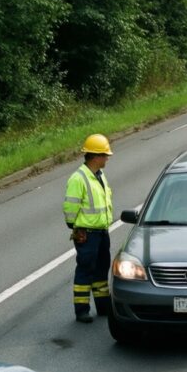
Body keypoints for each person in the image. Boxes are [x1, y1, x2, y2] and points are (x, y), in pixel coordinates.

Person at [62, 134, 114, 323]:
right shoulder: (79, 178)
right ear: (95, 156)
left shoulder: (99, 175)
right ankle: (82, 310)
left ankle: (102, 306)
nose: (107, 158)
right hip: (87, 233)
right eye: (105, 155)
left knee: (101, 269)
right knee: (85, 269)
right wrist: (75, 227)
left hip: (101, 231)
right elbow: (70, 207)